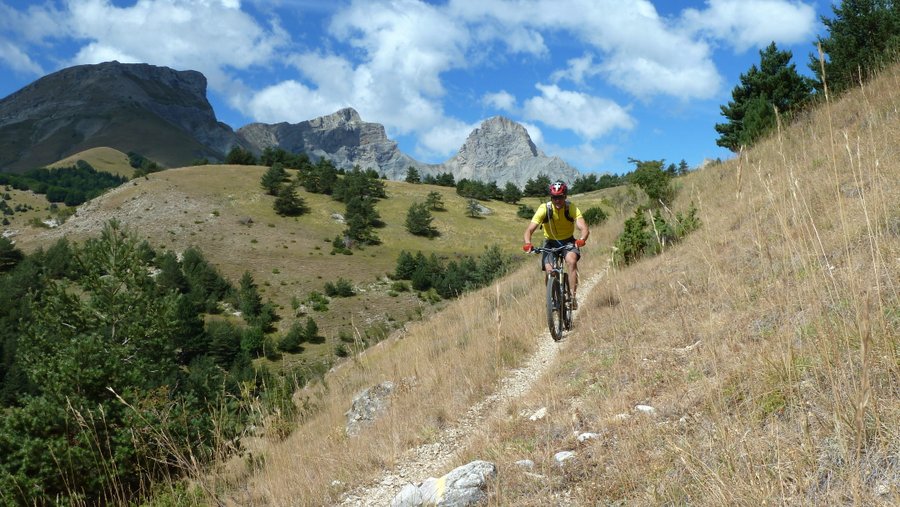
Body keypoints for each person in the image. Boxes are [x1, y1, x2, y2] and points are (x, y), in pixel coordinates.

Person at [522, 180, 590, 309]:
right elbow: (529, 230)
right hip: (550, 243)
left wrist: (582, 239)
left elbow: (584, 227)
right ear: (551, 197)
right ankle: (552, 298)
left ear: (565, 196)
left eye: (560, 197)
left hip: (568, 241)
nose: (557, 201)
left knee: (571, 261)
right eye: (554, 198)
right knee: (549, 271)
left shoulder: (571, 208)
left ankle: (572, 297)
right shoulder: (545, 209)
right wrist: (528, 243)